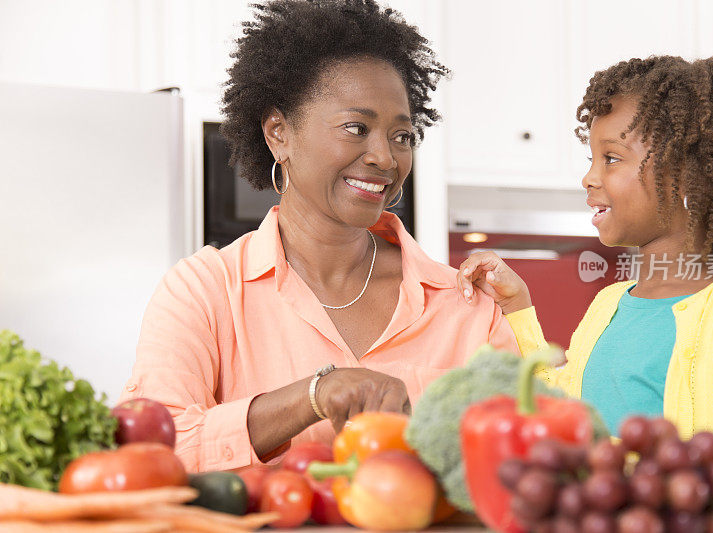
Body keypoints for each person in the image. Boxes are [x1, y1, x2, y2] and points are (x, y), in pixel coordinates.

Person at [120, 0, 520, 473]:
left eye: (402, 136)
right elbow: (151, 453)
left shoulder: (465, 304)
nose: (385, 159)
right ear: (278, 134)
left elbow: (527, 460)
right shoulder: (202, 292)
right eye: (356, 128)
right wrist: (311, 396)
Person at [459, 56, 713, 449]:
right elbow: (563, 409)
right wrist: (517, 308)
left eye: (612, 158)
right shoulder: (610, 303)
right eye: (592, 160)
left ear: (689, 176)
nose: (588, 178)